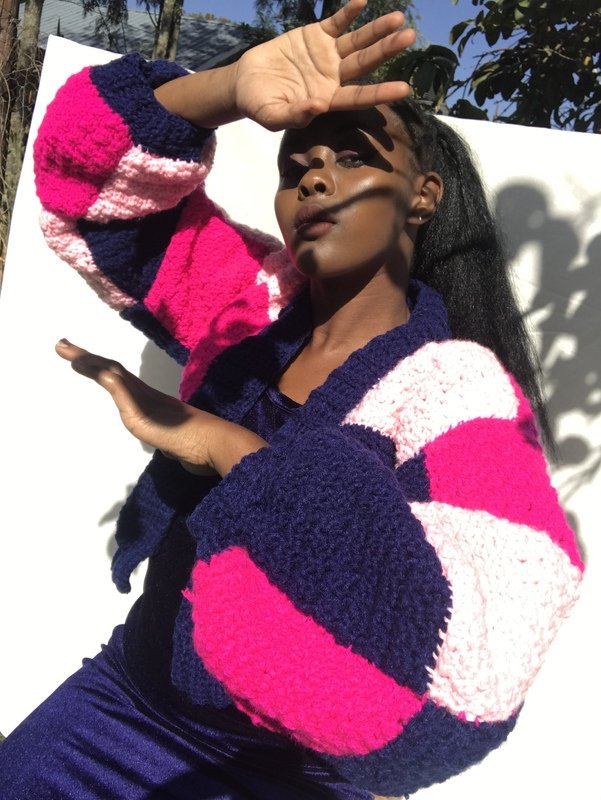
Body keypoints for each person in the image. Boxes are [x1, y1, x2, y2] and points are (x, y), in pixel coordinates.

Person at [0, 1, 583, 797]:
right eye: (293, 167)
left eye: (352, 157)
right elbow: (85, 190)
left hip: (281, 772)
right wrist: (222, 89)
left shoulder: (458, 389)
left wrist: (229, 449)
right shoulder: (247, 306)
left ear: (422, 196)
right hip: (114, 704)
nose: (312, 177)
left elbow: (467, 684)